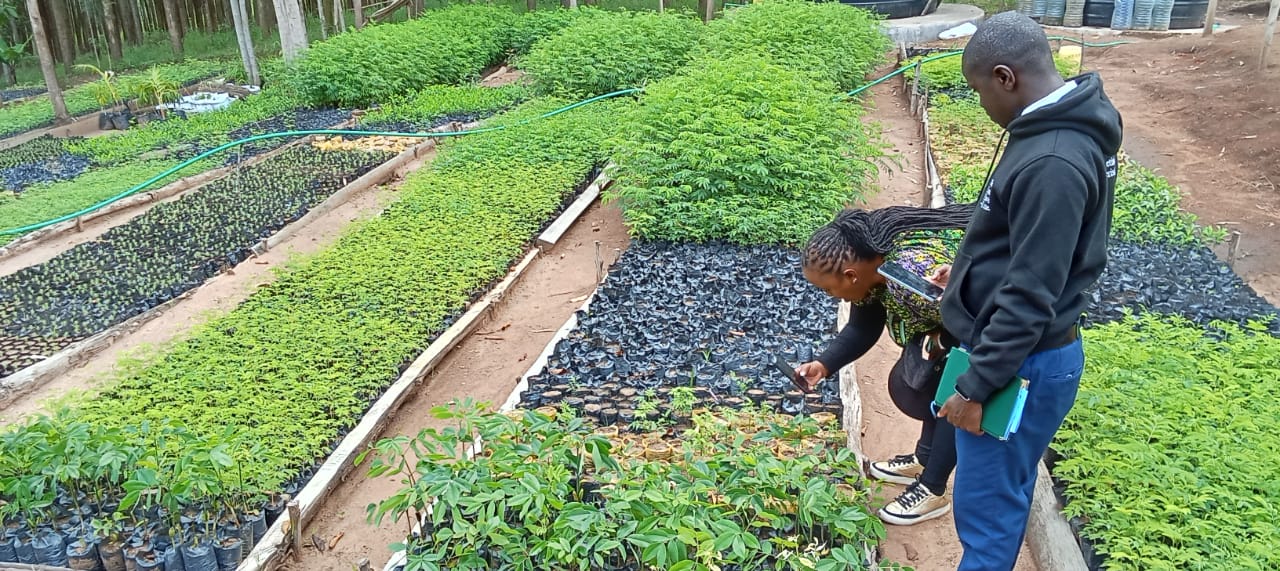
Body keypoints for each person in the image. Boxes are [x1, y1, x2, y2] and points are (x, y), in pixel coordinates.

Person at [934, 12, 1122, 571]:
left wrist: (976, 386)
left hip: (1021, 364)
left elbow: (1032, 291)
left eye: (979, 92)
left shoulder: (1053, 161)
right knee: (999, 495)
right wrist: (968, 276)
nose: (982, 106)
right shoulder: (1056, 134)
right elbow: (1028, 248)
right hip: (1023, 355)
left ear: (1005, 77)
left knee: (988, 512)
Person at [795, 203, 974, 526]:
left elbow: (979, 323)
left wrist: (945, 343)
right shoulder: (871, 265)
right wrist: (824, 365)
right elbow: (864, 326)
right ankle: (924, 458)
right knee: (930, 376)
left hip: (982, 342)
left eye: (828, 288)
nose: (832, 295)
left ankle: (933, 489)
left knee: (950, 390)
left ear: (850, 276)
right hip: (948, 330)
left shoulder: (913, 277)